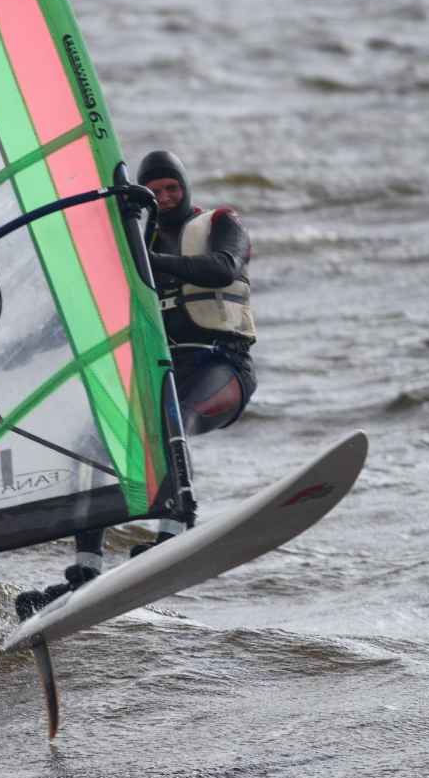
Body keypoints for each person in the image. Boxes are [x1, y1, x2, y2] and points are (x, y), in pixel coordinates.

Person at [15, 151, 257, 621]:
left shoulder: (221, 223)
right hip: (163, 370)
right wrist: (19, 350)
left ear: (185, 189)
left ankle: (173, 529)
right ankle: (85, 569)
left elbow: (224, 267)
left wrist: (148, 260)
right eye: (156, 191)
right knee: (91, 444)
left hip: (222, 363)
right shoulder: (135, 244)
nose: (165, 198)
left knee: (174, 423)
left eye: (172, 188)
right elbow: (83, 311)